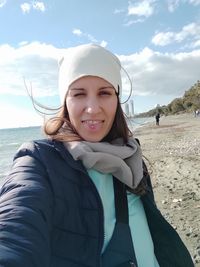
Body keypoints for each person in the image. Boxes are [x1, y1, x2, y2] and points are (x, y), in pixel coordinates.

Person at [0, 44, 194, 267]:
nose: (92, 108)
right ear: (65, 101)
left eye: (104, 93)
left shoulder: (132, 160)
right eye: (79, 94)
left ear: (116, 99)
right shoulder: (40, 162)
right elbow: (16, 224)